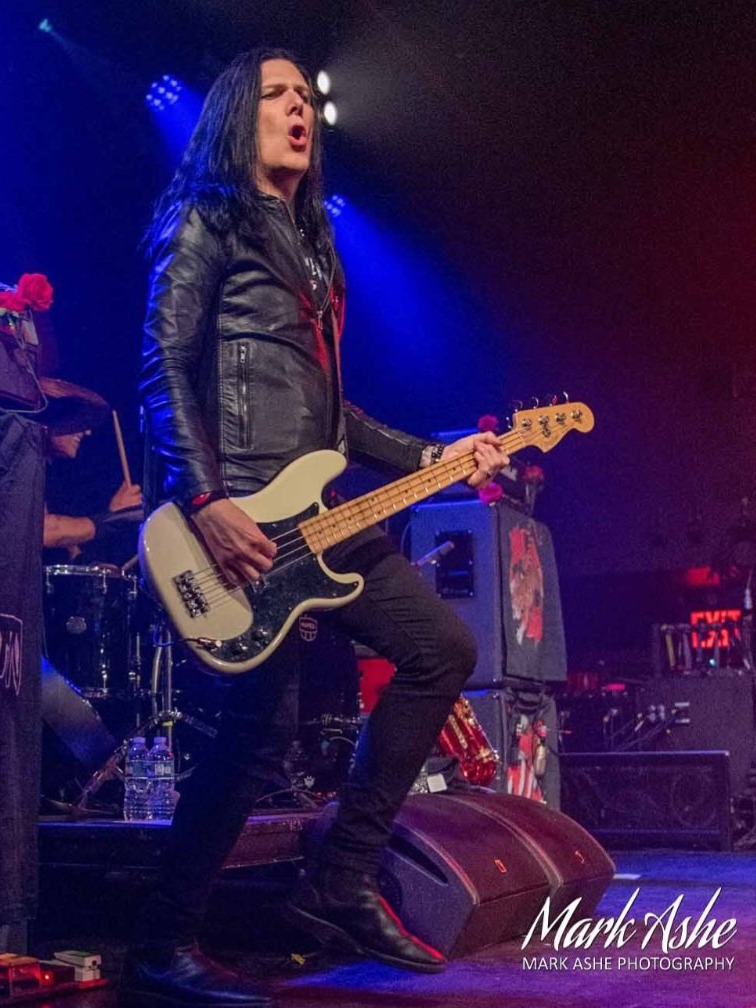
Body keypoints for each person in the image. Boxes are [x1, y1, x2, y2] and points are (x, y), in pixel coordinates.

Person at [126, 47, 509, 1008]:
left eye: (308, 99)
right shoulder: (207, 218)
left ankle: (341, 877)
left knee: (440, 649)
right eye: (279, 97)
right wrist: (206, 500)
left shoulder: (313, 248)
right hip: (241, 517)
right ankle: (161, 942)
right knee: (252, 740)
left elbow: (337, 422)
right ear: (234, 115)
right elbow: (163, 368)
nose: (301, 111)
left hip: (322, 512)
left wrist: (440, 455)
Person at [39, 377, 142, 560]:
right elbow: (45, 531)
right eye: (78, 419)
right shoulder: (23, 465)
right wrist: (114, 518)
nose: (87, 431)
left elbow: (70, 548)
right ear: (50, 419)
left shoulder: (49, 472)